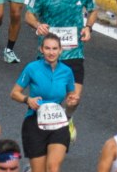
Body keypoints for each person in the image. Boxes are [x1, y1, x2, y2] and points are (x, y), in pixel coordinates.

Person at [25, 0, 94, 119]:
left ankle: (67, 118)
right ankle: (46, 126)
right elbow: (29, 15)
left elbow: (92, 10)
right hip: (48, 53)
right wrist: (38, 25)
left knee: (73, 100)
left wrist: (88, 27)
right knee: (48, 98)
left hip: (74, 52)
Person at [11, 33, 78, 172]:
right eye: (47, 48)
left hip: (58, 122)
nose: (51, 52)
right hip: (34, 121)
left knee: (53, 168)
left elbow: (71, 98)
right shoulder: (32, 68)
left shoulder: (67, 72)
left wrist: (72, 103)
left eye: (54, 49)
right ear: (41, 49)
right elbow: (14, 93)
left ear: (60, 50)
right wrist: (27, 100)